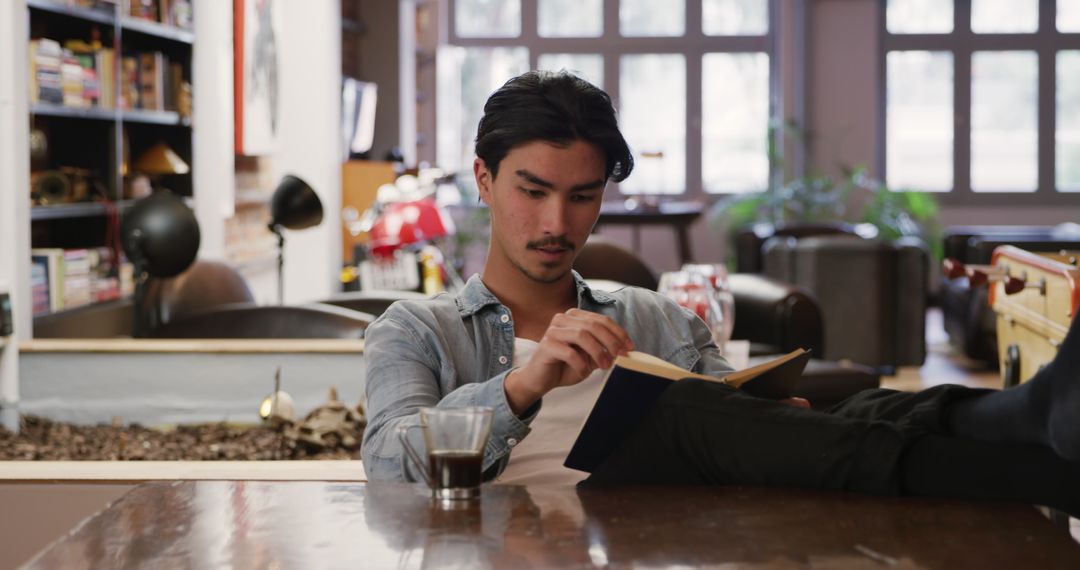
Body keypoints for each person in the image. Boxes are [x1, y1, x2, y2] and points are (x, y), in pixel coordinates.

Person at [362, 70, 1080, 515]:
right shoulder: (417, 328)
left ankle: (1032, 419)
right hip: (556, 519)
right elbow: (391, 465)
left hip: (660, 520)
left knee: (856, 407)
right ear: (485, 180)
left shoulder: (645, 313)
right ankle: (1044, 453)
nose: (557, 223)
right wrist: (523, 384)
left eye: (583, 196)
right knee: (675, 411)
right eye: (534, 192)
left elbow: (747, 436)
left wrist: (777, 420)